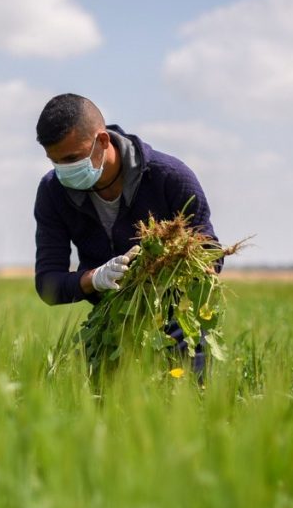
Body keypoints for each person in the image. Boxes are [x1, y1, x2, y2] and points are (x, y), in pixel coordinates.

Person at [33, 92, 221, 374]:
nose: (65, 170)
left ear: (103, 141)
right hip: (109, 329)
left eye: (72, 157)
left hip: (179, 328)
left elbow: (210, 255)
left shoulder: (169, 177)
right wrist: (95, 279)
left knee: (189, 408)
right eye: (55, 161)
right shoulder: (53, 192)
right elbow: (48, 284)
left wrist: (157, 273)